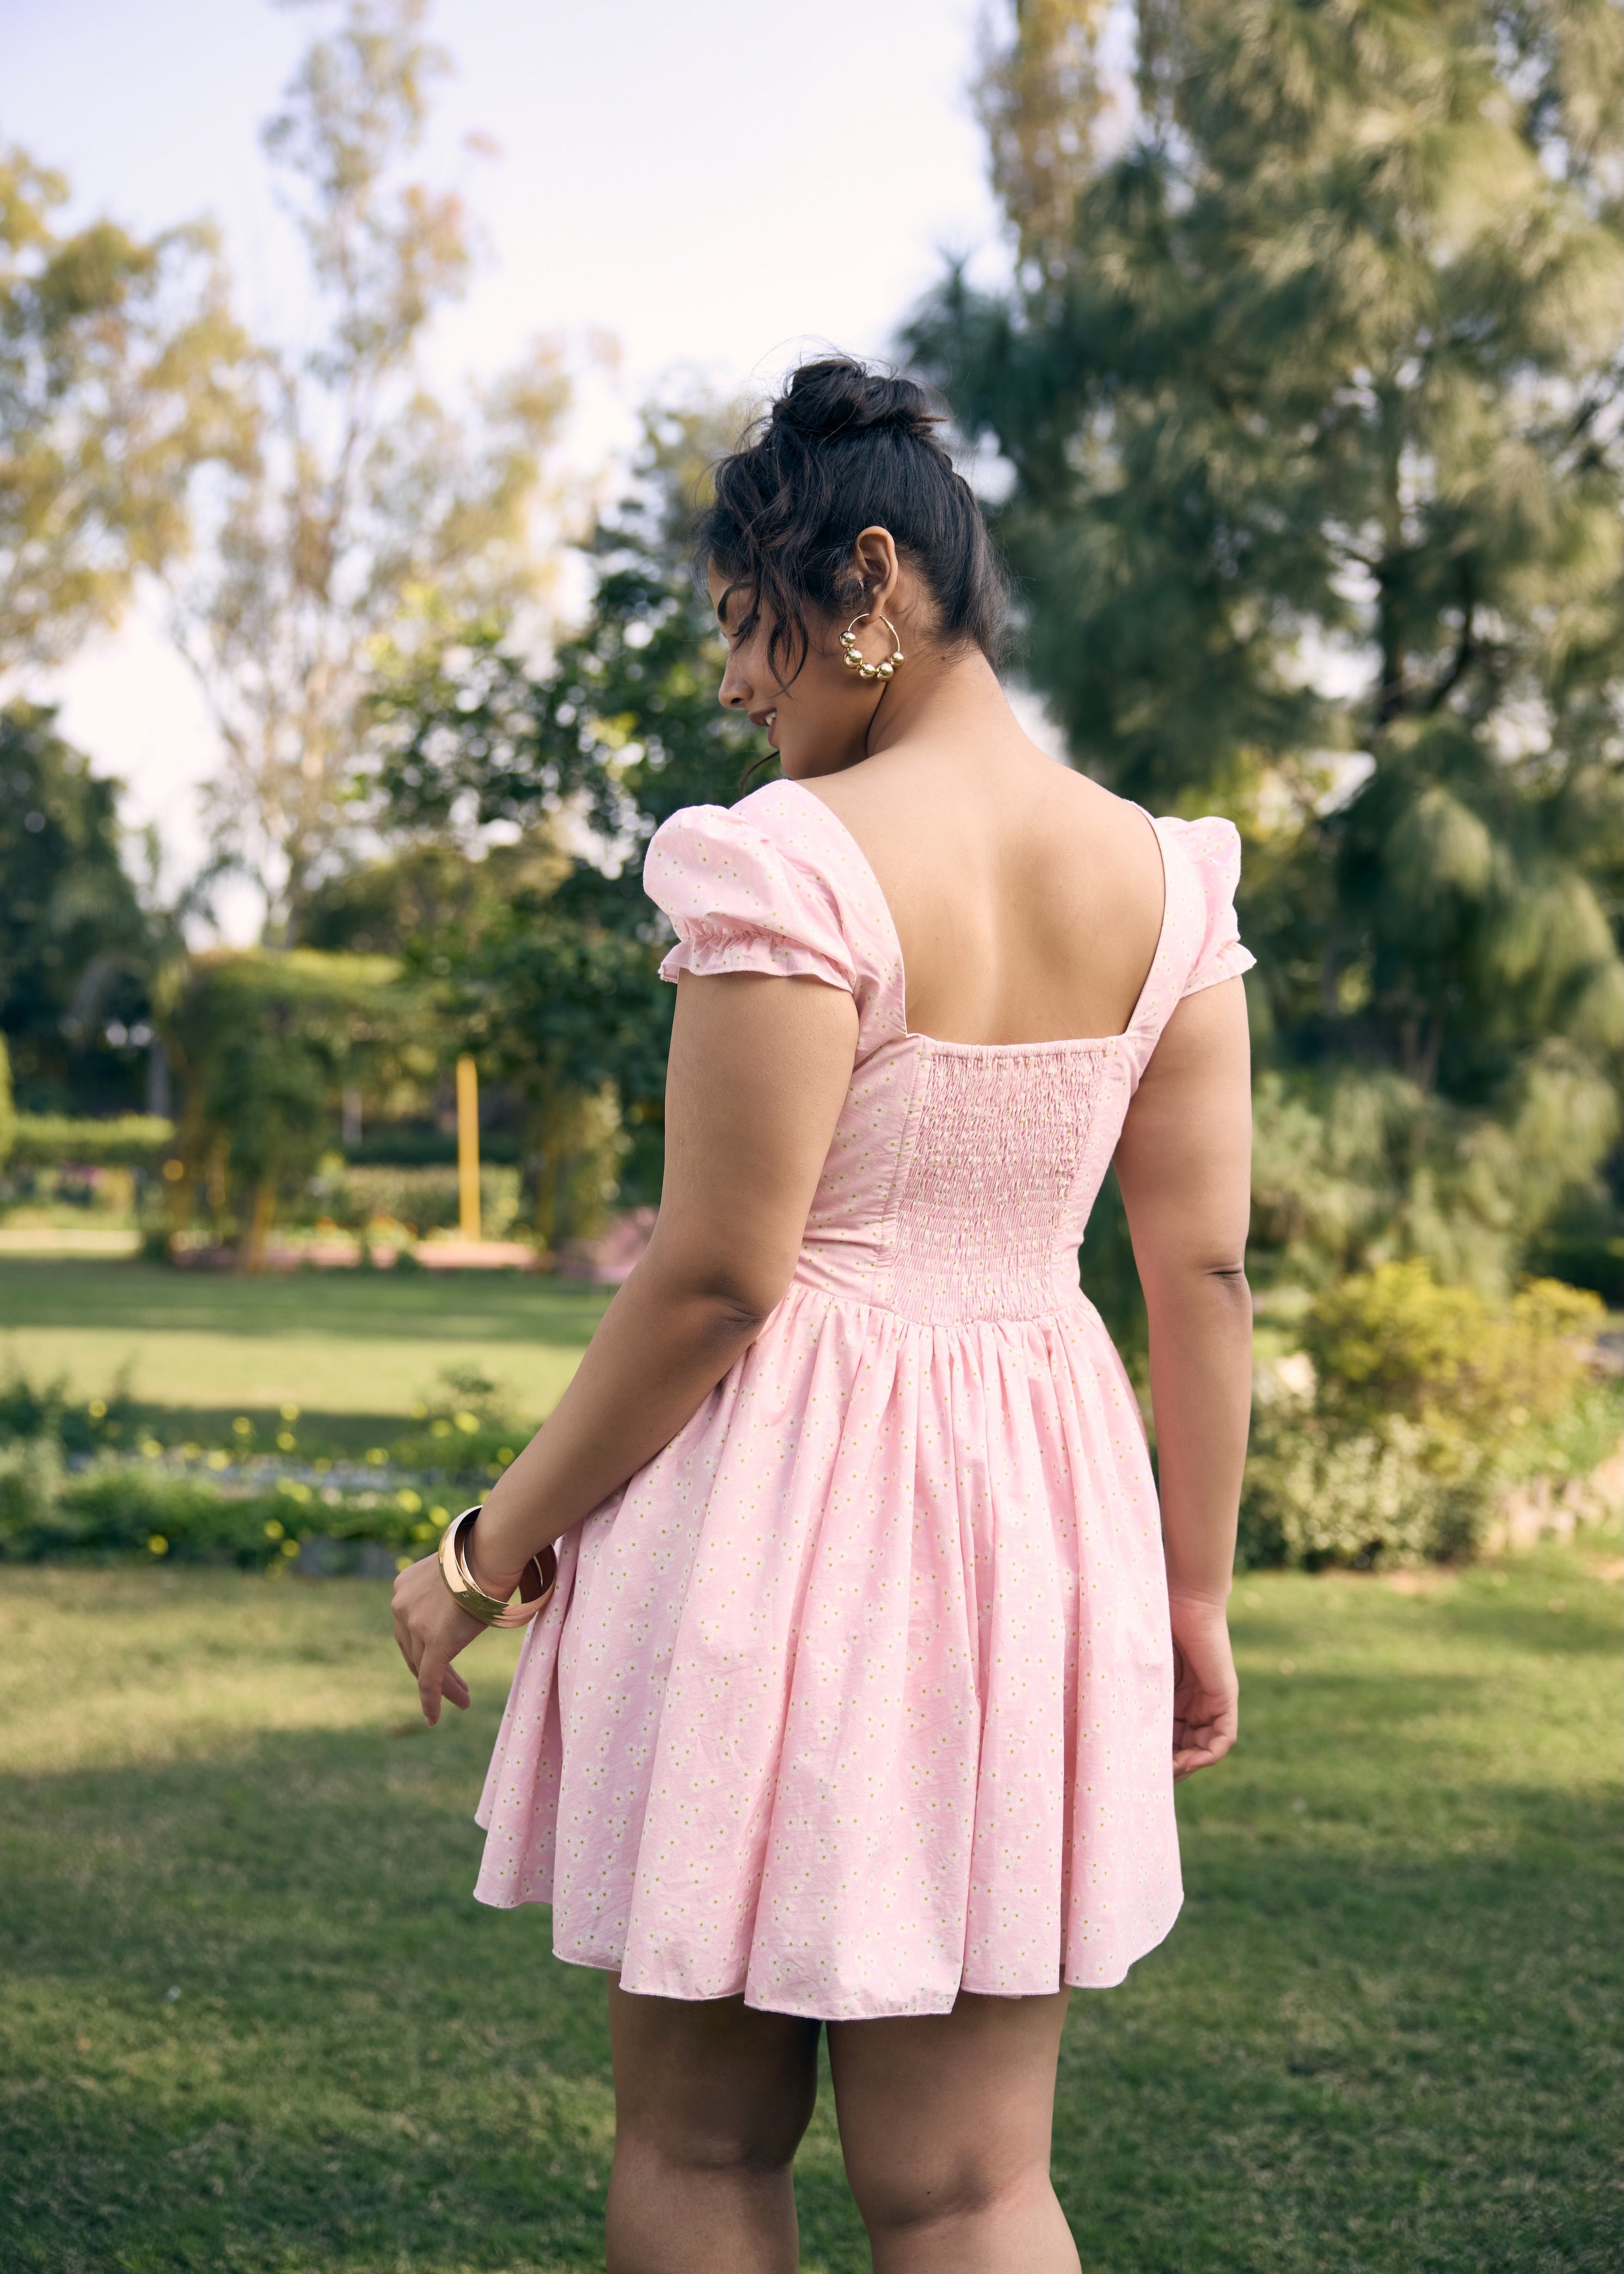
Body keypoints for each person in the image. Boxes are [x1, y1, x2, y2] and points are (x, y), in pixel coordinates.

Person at [393, 354, 1254, 2274]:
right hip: (1036, 1534)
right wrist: (1192, 1593)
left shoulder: (786, 863)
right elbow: (1200, 1272)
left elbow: (719, 1273)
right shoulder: (1170, 886)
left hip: (777, 1526)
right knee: (974, 2183)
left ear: (868, 584)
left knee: (704, 2148)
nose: (732, 681)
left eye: (741, 622)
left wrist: (480, 1552)